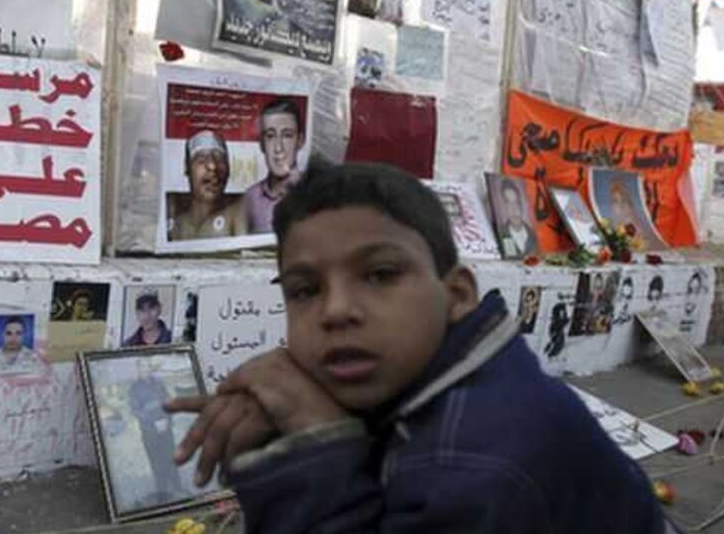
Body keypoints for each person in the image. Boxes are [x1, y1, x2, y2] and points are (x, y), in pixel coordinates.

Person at [165, 162, 673, 533]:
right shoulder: (432, 369)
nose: (335, 311)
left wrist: (314, 450)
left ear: (455, 295)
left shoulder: (471, 465)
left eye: (381, 274)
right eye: (304, 290)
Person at [166, 131, 247, 241]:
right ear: (187, 167)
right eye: (202, 159)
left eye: (220, 158)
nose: (212, 166)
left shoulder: (240, 209)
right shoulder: (171, 210)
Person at [126, 358, 184, 506]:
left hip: (166, 428)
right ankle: (163, 494)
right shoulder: (134, 389)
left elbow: (168, 401)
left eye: (147, 366)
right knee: (157, 462)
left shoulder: (159, 384)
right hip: (150, 432)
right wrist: (154, 422)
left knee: (171, 457)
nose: (145, 369)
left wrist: (166, 419)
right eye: (142, 367)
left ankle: (178, 487)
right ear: (138, 370)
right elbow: (136, 411)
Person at [243, 100, 306, 234]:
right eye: (270, 136)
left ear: (300, 141)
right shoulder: (250, 197)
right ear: (261, 143)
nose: (278, 148)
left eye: (287, 135)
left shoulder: (313, 191)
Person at [493, 178, 537, 258]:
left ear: (521, 204)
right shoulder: (500, 234)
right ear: (504, 207)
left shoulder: (533, 235)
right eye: (508, 203)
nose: (514, 209)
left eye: (516, 202)